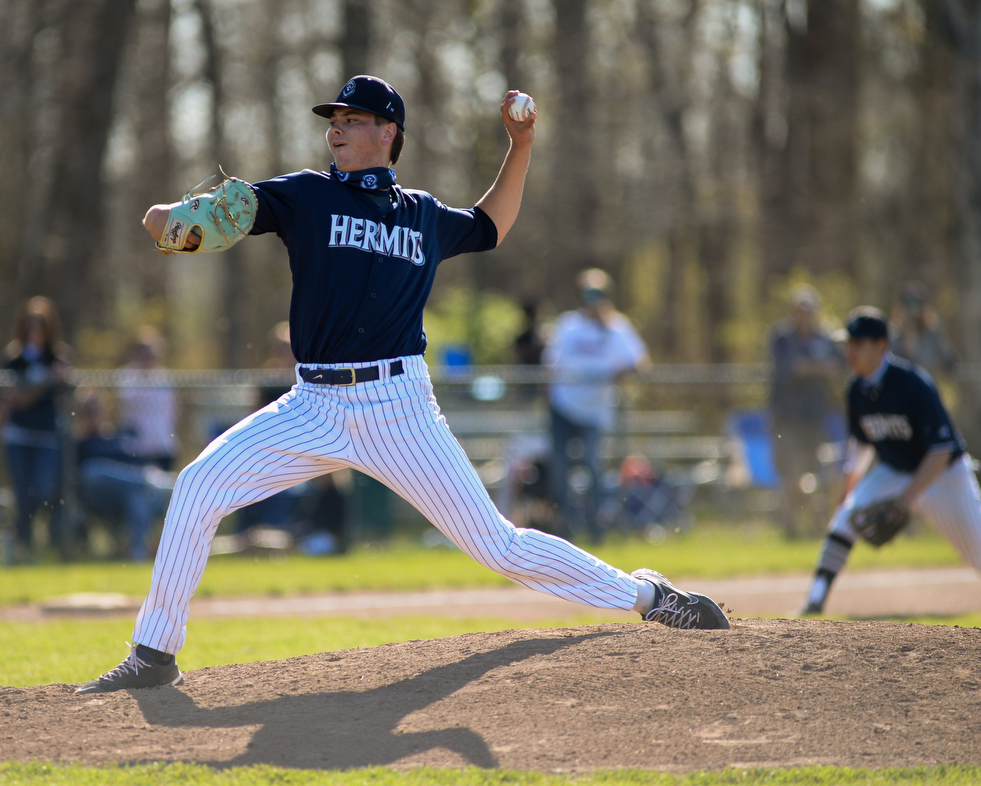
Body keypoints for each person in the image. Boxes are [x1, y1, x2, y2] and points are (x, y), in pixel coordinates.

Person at [77, 75, 728, 695]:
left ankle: (649, 597)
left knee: (498, 545)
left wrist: (521, 146)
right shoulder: (303, 195)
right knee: (197, 485)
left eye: (351, 119)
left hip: (400, 410)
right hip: (314, 404)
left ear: (389, 132)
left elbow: (491, 225)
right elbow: (172, 222)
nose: (336, 129)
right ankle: (155, 655)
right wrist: (177, 217)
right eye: (333, 119)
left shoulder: (421, 216)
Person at [798, 307, 981, 615]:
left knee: (976, 551)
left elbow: (942, 450)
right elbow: (861, 447)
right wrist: (846, 494)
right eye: (848, 344)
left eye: (858, 344)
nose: (850, 351)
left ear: (881, 345)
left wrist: (906, 500)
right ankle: (814, 601)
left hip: (943, 475)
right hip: (894, 471)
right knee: (845, 518)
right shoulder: (856, 390)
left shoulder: (913, 384)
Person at [542, 269, 650, 542]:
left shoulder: (616, 327)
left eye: (597, 294)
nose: (592, 300)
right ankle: (565, 529)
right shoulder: (568, 325)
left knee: (594, 469)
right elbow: (550, 362)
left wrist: (619, 372)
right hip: (564, 406)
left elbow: (640, 362)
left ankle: (596, 531)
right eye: (588, 293)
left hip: (595, 411)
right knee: (561, 469)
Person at [767, 286, 846, 537]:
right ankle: (792, 525)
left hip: (815, 418)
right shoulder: (782, 338)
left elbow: (838, 367)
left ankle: (811, 525)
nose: (804, 316)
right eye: (799, 311)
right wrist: (818, 369)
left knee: (812, 476)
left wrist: (810, 368)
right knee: (791, 474)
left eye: (808, 311)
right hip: (787, 419)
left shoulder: (825, 338)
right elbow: (791, 369)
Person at [0, 296, 72, 561]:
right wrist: (43, 383)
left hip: (47, 437)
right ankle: (23, 547)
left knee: (44, 490)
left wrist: (57, 381)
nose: (35, 329)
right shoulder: (15, 358)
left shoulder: (57, 357)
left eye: (40, 324)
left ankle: (49, 544)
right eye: (30, 323)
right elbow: (15, 399)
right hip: (18, 436)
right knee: (22, 494)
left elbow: (66, 398)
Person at [74, 390, 175, 562]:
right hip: (100, 494)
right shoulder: (80, 442)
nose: (92, 415)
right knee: (92, 470)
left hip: (128, 492)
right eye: (87, 411)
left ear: (105, 409)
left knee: (137, 497)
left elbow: (141, 463)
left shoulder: (123, 435)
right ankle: (150, 482)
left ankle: (138, 553)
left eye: (95, 410)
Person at [116, 326, 178, 471]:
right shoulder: (126, 376)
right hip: (137, 446)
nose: (148, 358)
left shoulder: (165, 378)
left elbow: (173, 410)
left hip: (163, 444)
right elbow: (127, 403)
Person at [888, 280, 957, 379]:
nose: (913, 311)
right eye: (908, 305)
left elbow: (950, 362)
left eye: (916, 305)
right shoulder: (894, 334)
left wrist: (932, 366)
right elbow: (890, 365)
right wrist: (907, 335)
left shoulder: (932, 333)